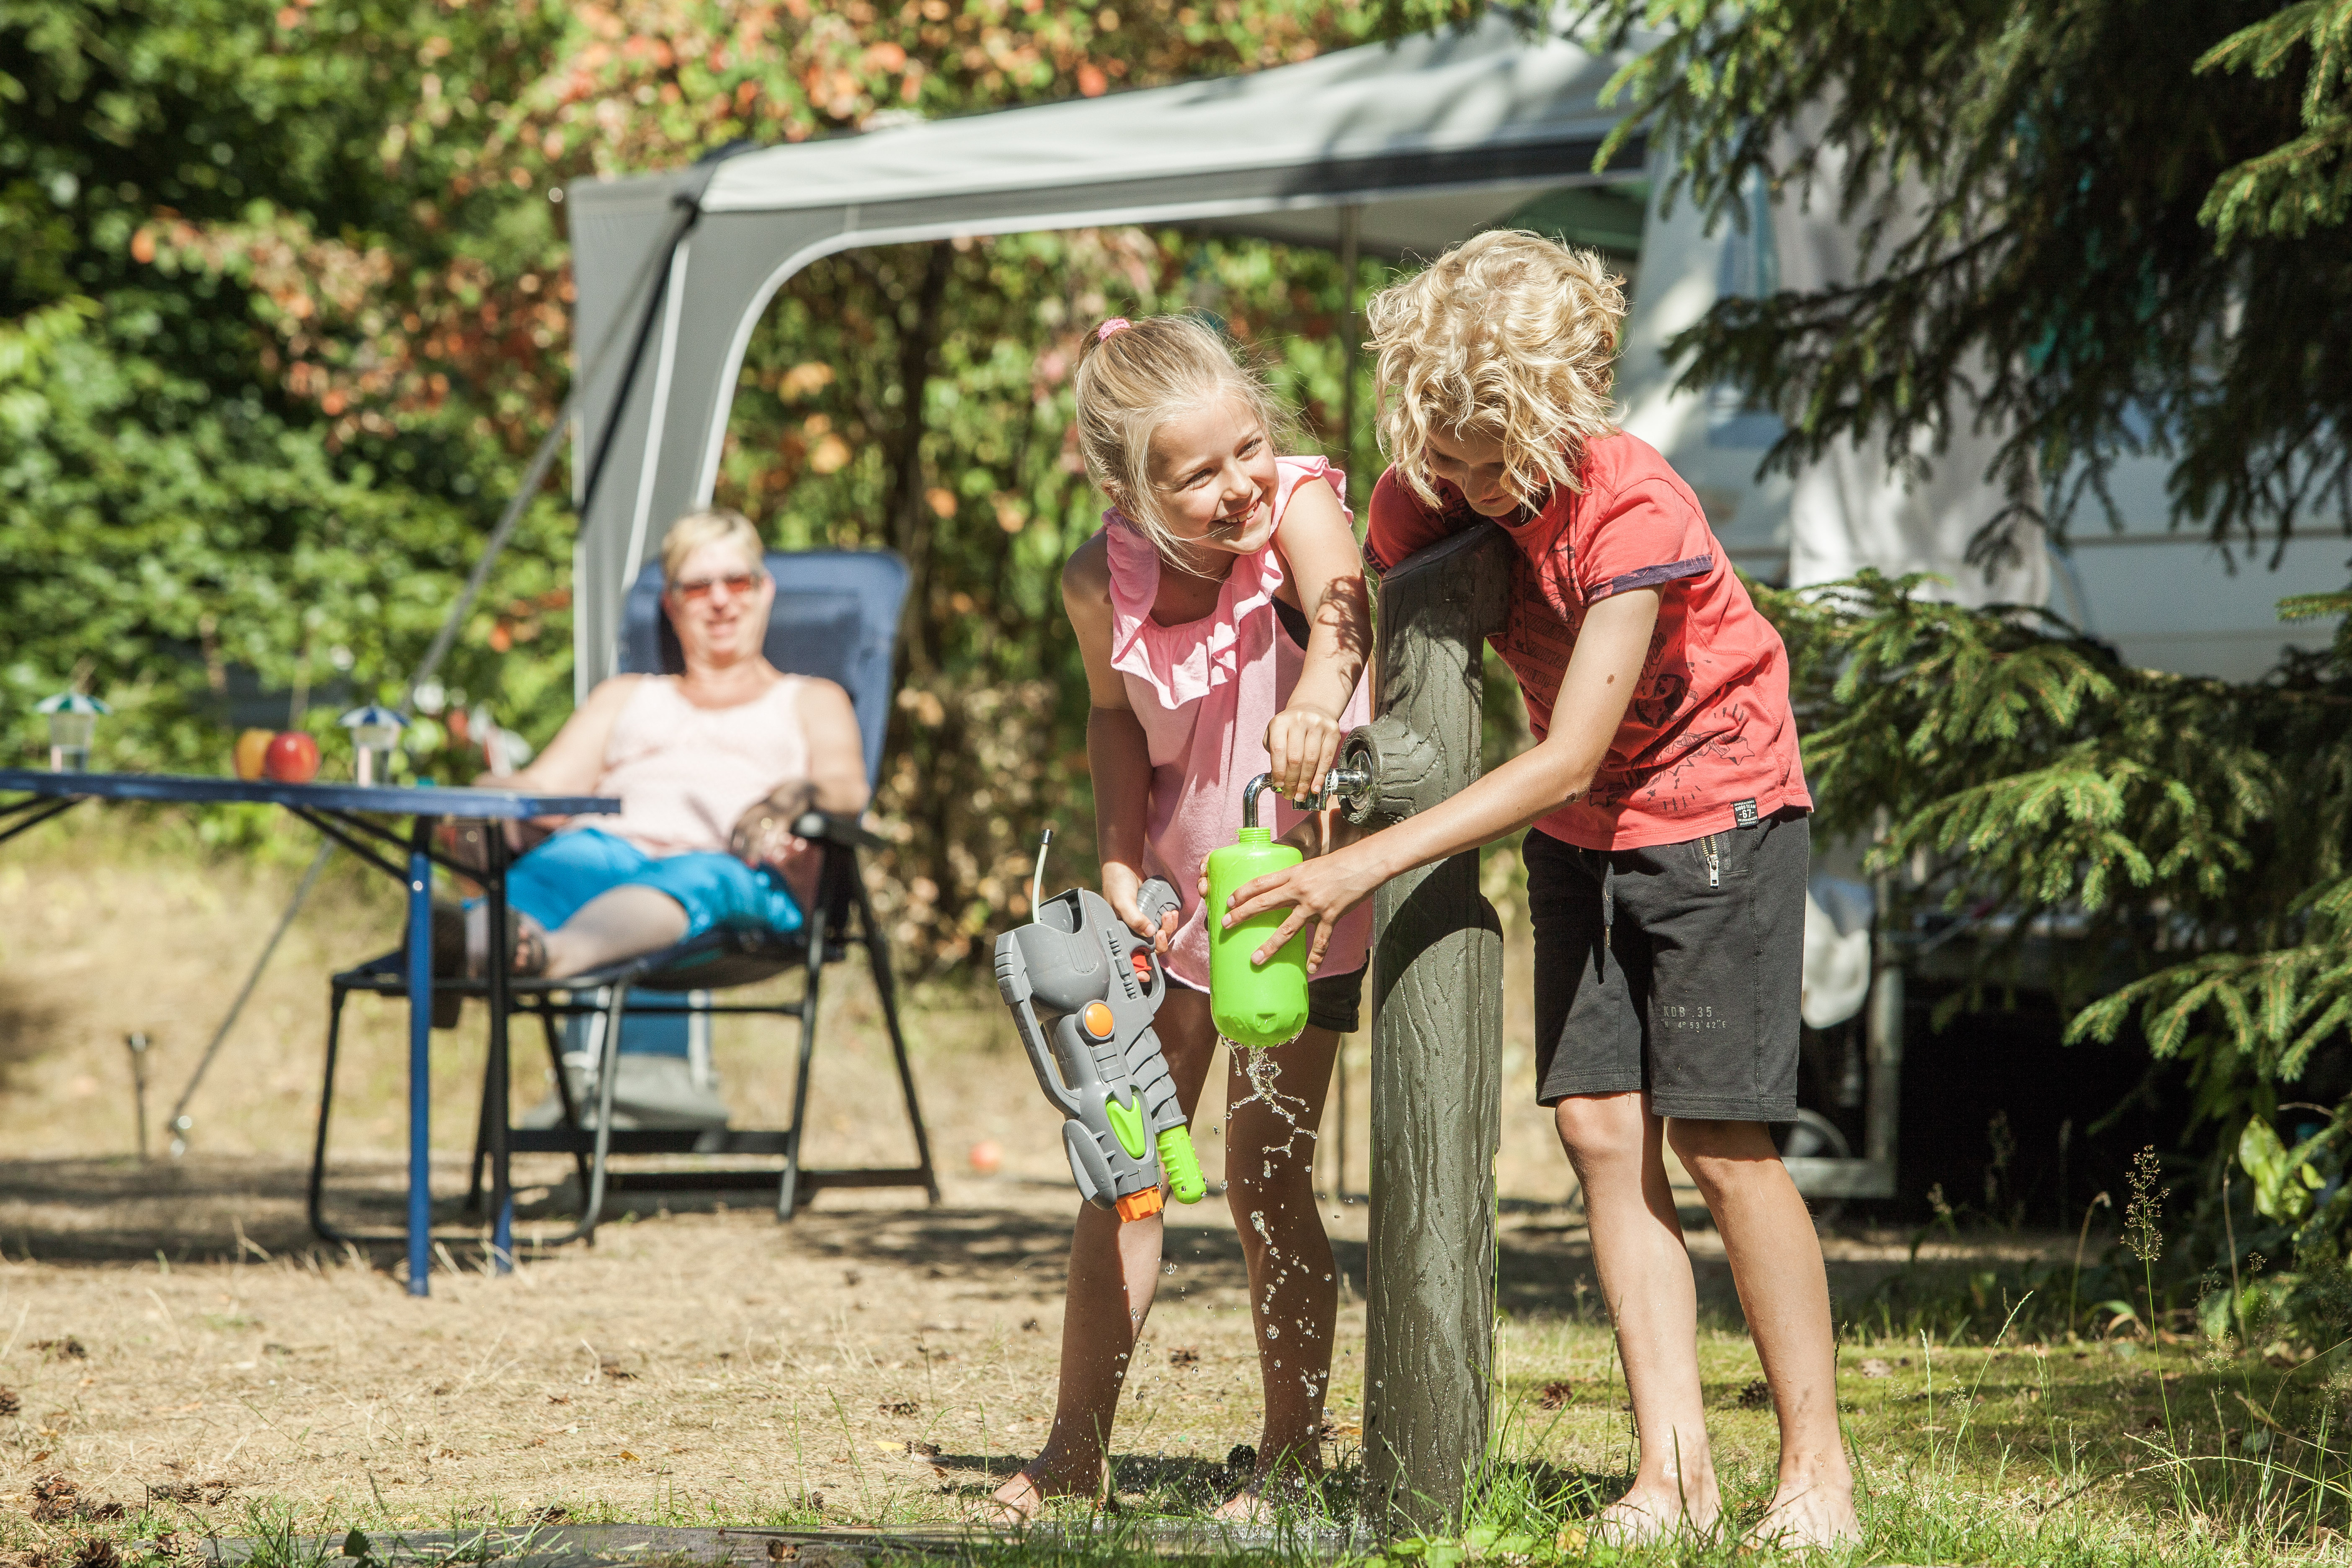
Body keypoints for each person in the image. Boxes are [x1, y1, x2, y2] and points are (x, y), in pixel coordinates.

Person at [1220, 232, 1859, 1550]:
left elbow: (1565, 746)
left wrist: (1363, 860)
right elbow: (1352, 593)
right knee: (1600, 1138)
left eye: (1487, 464)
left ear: (1566, 411)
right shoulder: (1440, 482)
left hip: (1718, 815)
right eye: (1440, 460)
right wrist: (1321, 695)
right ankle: (1672, 1474)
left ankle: (1818, 1475)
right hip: (1583, 834)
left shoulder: (1636, 508)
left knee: (1722, 1146)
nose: (1458, 491)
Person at [988, 315, 1374, 1523]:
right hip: (1169, 912)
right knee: (1128, 1172)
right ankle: (1072, 1451)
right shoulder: (1099, 581)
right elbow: (1113, 722)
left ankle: (1293, 1451)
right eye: (1197, 473)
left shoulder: (1301, 505)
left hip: (1295, 906)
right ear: (1126, 488)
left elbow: (1347, 608)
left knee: (1267, 1181)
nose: (1238, 484)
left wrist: (1318, 692)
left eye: (1246, 447)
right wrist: (1112, 860)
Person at [446, 507, 866, 1128]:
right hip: (608, 854)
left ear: (764, 591)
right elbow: (540, 786)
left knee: (693, 873)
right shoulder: (628, 697)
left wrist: (788, 798)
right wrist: (480, 796)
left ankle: (549, 955)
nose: (720, 601)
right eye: (698, 587)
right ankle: (457, 948)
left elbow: (846, 787)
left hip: (738, 874)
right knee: (556, 864)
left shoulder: (808, 699)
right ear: (672, 604)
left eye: (737, 582)